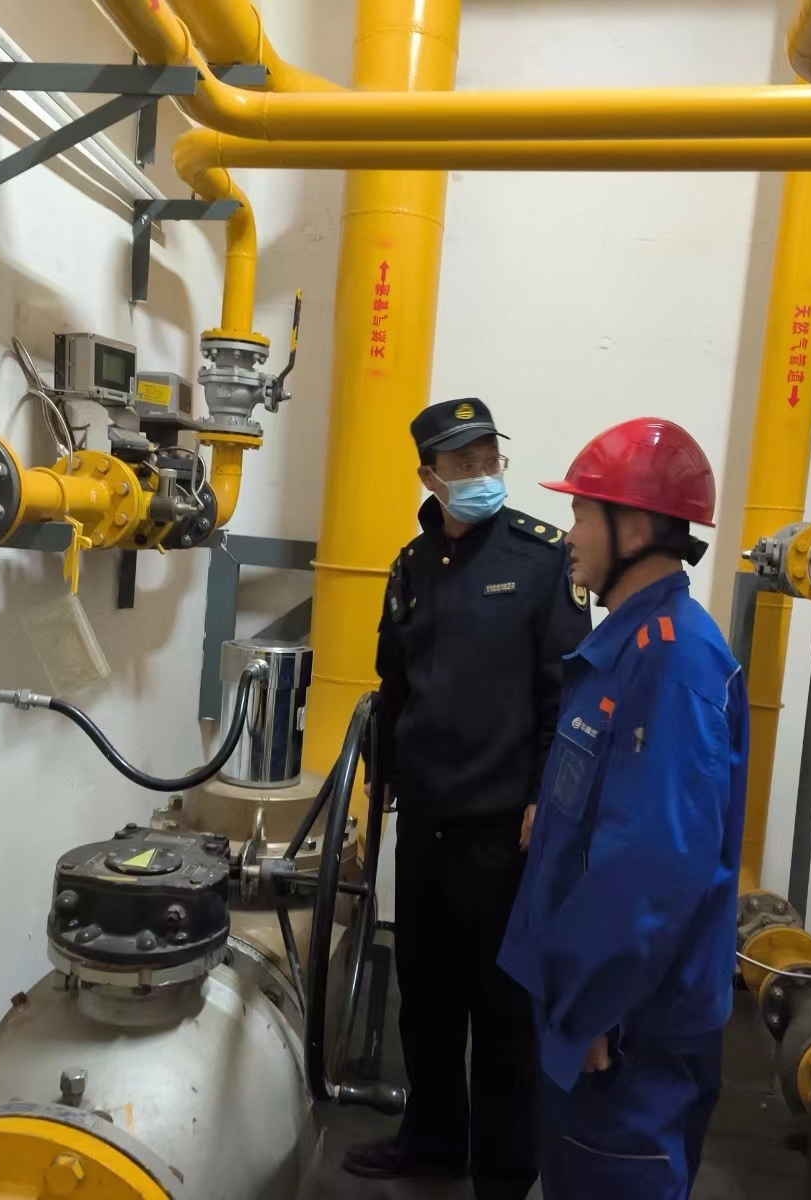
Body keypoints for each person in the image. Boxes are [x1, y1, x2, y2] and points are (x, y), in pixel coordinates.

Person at [343, 398, 591, 1200]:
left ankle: (505, 1171)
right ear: (430, 476)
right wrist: (379, 781)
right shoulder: (412, 565)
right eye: (465, 463)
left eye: (490, 459)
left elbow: (565, 695)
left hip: (502, 827)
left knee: (503, 1008)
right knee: (426, 995)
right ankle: (433, 1140)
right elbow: (395, 685)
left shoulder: (542, 558)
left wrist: (545, 798)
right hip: (425, 822)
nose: (483, 474)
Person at [498, 417, 748, 1200]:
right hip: (590, 1003)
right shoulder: (631, 645)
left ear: (633, 528)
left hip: (625, 1029)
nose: (569, 536)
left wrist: (592, 1009)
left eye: (581, 513)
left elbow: (654, 866)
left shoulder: (674, 660)